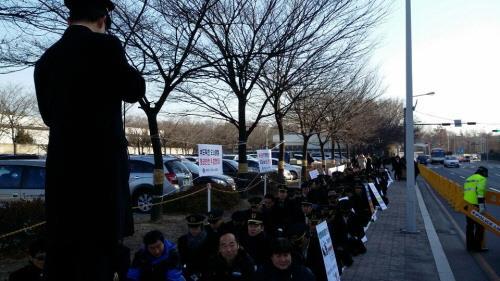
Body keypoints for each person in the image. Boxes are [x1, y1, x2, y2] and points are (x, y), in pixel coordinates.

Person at [33, 0, 145, 279]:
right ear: (102, 20)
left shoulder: (47, 59)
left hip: (63, 171)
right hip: (101, 172)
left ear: (69, 21)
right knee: (100, 255)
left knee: (65, 250)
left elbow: (48, 116)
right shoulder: (106, 46)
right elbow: (134, 89)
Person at [177, 214, 211, 280]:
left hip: (205, 273)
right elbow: (181, 258)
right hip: (187, 272)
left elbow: (210, 260)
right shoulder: (182, 240)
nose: (193, 231)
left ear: (201, 227)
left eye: (196, 228)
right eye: (191, 228)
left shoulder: (209, 239)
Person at [463, 166, 488, 252]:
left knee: (469, 226)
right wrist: (481, 206)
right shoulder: (482, 179)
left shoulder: (468, 178)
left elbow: (466, 191)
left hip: (467, 204)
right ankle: (477, 247)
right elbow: (480, 192)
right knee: (480, 226)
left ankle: (469, 247)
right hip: (476, 205)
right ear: (484, 173)